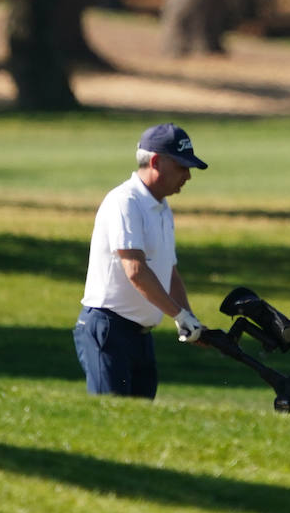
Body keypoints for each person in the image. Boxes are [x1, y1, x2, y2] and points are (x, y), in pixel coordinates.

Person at [74, 123, 210, 398]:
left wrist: (188, 318)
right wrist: (179, 315)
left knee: (139, 422)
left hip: (140, 336)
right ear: (156, 161)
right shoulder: (125, 202)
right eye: (182, 167)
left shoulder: (161, 207)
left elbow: (168, 272)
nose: (187, 176)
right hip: (109, 330)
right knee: (112, 420)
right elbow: (135, 270)